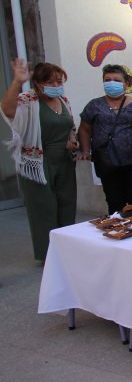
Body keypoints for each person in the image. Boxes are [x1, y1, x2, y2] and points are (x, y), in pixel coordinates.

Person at [1, 58, 77, 261]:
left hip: (64, 161)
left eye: (59, 82)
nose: (56, 86)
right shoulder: (28, 100)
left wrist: (72, 142)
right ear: (38, 84)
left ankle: (66, 249)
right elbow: (8, 111)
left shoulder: (64, 101)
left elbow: (70, 127)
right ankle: (48, 254)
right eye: (50, 82)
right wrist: (17, 82)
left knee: (67, 205)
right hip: (38, 162)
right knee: (44, 208)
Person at [78, 64, 132, 214]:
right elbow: (84, 128)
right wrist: (85, 150)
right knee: (114, 202)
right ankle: (117, 231)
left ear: (127, 84)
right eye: (107, 79)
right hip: (107, 162)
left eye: (117, 80)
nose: (112, 83)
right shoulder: (94, 105)